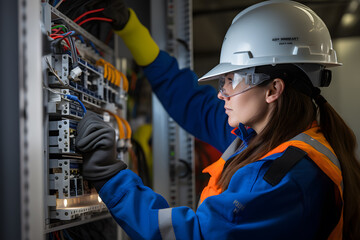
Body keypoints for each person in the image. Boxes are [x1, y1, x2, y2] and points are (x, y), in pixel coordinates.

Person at [75, 0, 360, 239]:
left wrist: (110, 175)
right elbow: (191, 102)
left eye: (230, 80)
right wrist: (133, 30)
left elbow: (197, 235)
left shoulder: (287, 177)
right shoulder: (258, 139)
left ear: (273, 89)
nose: (221, 94)